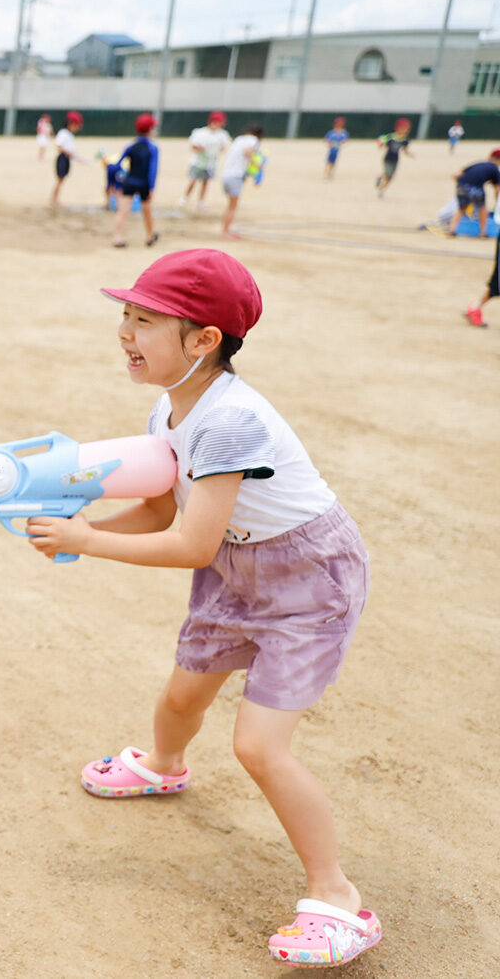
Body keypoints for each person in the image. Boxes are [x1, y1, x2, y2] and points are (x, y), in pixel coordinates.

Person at [28, 248, 379, 970]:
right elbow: (161, 505)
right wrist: (71, 534)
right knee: (185, 689)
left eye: (145, 320)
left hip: (306, 581)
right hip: (236, 564)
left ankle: (339, 899)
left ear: (204, 340)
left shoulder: (230, 423)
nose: (126, 331)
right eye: (125, 315)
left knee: (258, 746)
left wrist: (87, 537)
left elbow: (189, 542)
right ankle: (163, 765)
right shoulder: (169, 404)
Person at [111, 113, 160, 248]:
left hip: (130, 181)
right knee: (148, 211)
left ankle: (117, 237)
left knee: (123, 211)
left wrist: (118, 180)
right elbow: (153, 170)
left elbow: (118, 164)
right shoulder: (153, 147)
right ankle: (150, 236)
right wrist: (152, 187)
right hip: (144, 183)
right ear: (150, 129)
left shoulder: (130, 145)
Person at [180, 111, 231, 212]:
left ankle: (201, 202)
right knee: (193, 180)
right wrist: (200, 149)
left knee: (205, 182)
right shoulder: (200, 132)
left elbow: (223, 148)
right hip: (198, 162)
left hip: (210, 163)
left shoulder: (222, 135)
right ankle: (185, 199)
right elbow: (193, 146)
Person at [220, 124, 264, 240]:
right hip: (235, 176)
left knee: (230, 205)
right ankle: (225, 232)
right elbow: (247, 152)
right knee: (232, 207)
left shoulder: (239, 139)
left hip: (226, 174)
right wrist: (257, 165)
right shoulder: (252, 140)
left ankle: (227, 229)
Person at [449, 147, 500, 239]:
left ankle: (452, 230)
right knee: (482, 208)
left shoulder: (478, 164)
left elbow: (457, 175)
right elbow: (497, 189)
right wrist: (497, 202)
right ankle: (483, 232)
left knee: (461, 208)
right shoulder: (494, 169)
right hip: (475, 187)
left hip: (462, 185)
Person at [50, 110, 86, 207]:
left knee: (62, 179)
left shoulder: (69, 135)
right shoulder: (63, 133)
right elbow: (58, 145)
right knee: (60, 179)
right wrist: (69, 153)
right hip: (63, 158)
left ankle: (55, 199)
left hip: (67, 158)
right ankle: (54, 200)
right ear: (71, 124)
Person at [373, 119, 413, 197]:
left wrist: (409, 154)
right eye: (404, 128)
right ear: (398, 128)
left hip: (395, 160)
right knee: (387, 174)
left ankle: (381, 190)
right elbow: (379, 140)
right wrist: (380, 145)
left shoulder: (405, 139)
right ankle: (380, 179)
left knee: (390, 178)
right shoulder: (391, 136)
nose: (406, 130)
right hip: (387, 158)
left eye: (407, 129)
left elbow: (405, 149)